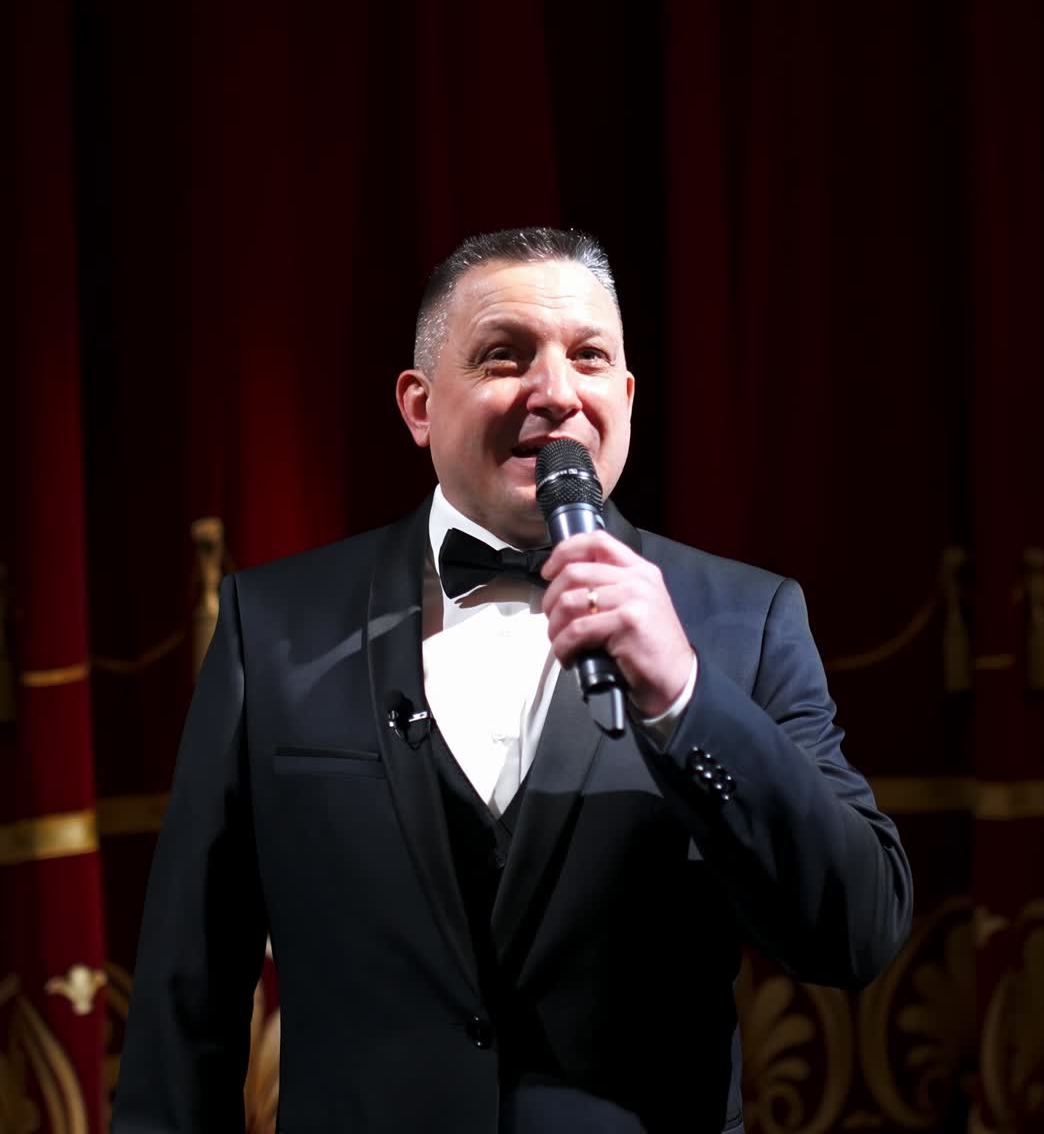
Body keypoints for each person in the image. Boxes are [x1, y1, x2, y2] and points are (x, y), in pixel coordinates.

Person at [114, 227, 912, 1133]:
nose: (556, 393)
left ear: (627, 394)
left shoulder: (745, 622)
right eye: (504, 358)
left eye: (590, 358)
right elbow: (187, 1008)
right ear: (419, 406)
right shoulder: (276, 629)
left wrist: (686, 696)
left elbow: (857, 930)